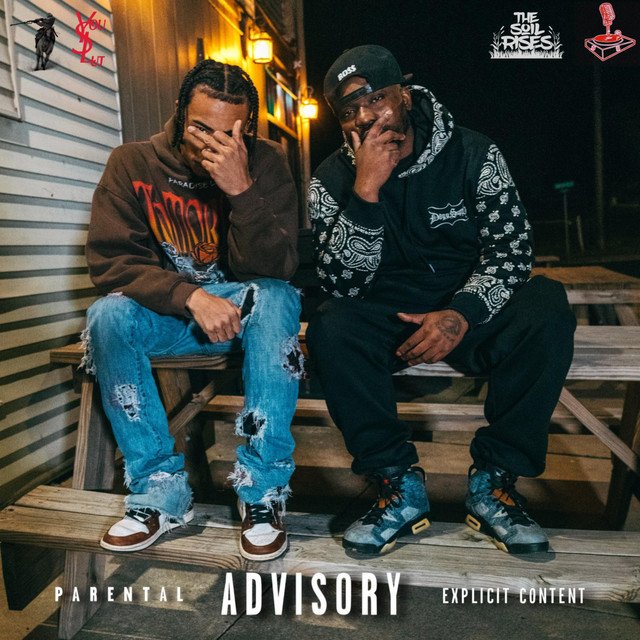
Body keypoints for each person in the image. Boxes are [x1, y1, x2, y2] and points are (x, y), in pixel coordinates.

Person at [307, 45, 576, 556]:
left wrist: (461, 313)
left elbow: (512, 253)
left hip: (468, 308)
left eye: (375, 99)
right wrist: (365, 192)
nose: (364, 117)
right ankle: (396, 484)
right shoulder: (330, 179)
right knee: (331, 326)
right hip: (389, 315)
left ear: (405, 95)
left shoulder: (474, 153)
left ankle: (495, 483)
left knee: (545, 303)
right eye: (348, 110)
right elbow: (341, 286)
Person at [83, 59, 303, 561]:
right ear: (180, 113)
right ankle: (160, 490)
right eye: (201, 128)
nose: (211, 145)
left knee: (278, 296)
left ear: (247, 129)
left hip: (247, 315)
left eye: (228, 134)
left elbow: (276, 269)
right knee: (106, 317)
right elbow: (111, 263)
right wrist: (191, 296)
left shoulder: (265, 162)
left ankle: (262, 491)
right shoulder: (132, 163)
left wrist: (241, 190)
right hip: (173, 316)